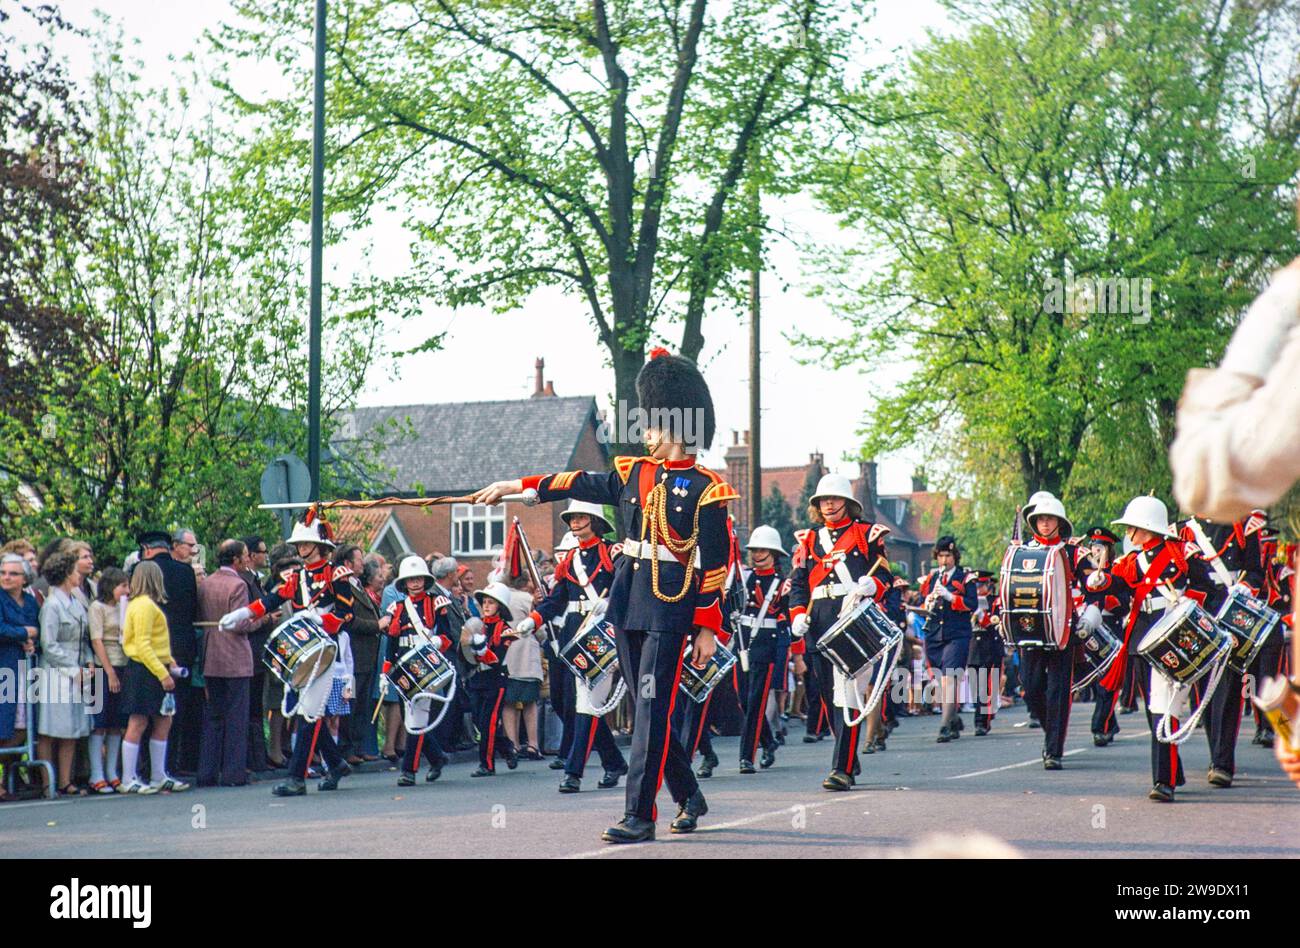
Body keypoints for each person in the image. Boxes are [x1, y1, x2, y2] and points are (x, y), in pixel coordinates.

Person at [472, 349, 732, 842]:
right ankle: (689, 794)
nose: (647, 433)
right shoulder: (635, 473)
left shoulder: (707, 489)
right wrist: (513, 486)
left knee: (653, 709)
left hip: (672, 607)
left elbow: (716, 564)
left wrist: (707, 626)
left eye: (654, 425)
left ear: (676, 426)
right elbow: (574, 481)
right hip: (629, 600)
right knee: (643, 703)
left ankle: (640, 815)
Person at [218, 517, 355, 796]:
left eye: (306, 543)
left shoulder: (336, 574)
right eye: (300, 543)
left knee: (308, 712)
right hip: (304, 648)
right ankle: (336, 763)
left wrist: (320, 619)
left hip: (327, 648)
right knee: (308, 710)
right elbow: (271, 601)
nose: (302, 548)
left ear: (319, 546)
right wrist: (242, 614)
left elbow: (347, 614)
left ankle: (296, 777)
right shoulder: (297, 577)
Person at [1101, 495, 1222, 803]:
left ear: (1146, 527)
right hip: (1142, 638)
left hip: (1172, 634)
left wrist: (1185, 602)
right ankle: (1171, 769)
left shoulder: (1180, 554)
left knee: (1163, 707)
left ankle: (1163, 782)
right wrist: (1099, 580)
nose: (1128, 532)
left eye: (1133, 526)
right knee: (1151, 708)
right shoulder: (1130, 562)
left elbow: (1211, 589)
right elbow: (1116, 587)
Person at [788, 472, 896, 790]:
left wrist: (872, 584)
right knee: (827, 696)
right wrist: (796, 614)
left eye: (835, 499)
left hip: (852, 620)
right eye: (824, 501)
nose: (829, 505)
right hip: (817, 621)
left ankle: (842, 769)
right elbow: (797, 584)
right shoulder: (808, 540)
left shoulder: (867, 534)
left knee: (846, 694)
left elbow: (887, 577)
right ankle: (848, 756)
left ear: (848, 504)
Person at [517, 502, 628, 793]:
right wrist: (534, 619)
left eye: (580, 517)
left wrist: (610, 605)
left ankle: (573, 772)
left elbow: (626, 587)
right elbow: (557, 599)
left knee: (586, 702)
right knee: (582, 703)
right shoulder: (570, 561)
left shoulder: (612, 552)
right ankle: (614, 761)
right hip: (574, 632)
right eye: (572, 519)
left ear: (594, 520)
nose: (574, 522)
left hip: (602, 631)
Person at [1011, 495, 1077, 770]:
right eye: (1040, 519)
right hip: (1031, 628)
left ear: (1059, 522)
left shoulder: (1073, 553)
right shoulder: (1023, 552)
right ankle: (1051, 726)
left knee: (1057, 691)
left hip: (1064, 629)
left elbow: (1093, 587)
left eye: (1049, 518)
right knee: (1031, 684)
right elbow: (1009, 584)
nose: (1045, 523)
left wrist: (1089, 611)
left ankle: (1054, 751)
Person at [136, 530, 202, 777]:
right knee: (174, 710)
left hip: (151, 648)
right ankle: (170, 765)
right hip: (181, 648)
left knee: (147, 710)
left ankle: (145, 767)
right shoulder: (185, 572)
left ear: (147, 549)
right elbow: (192, 609)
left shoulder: (142, 571)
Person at [120, 560, 190, 794]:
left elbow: (155, 641)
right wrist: (162, 673)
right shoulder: (144, 606)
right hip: (145, 669)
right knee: (138, 721)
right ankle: (128, 777)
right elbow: (142, 644)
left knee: (163, 719)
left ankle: (158, 774)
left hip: (154, 665)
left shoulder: (142, 604)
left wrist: (169, 660)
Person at [383, 555, 453, 786]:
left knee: (417, 716)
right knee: (410, 718)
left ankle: (409, 770)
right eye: (410, 580)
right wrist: (385, 672)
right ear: (404, 583)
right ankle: (436, 757)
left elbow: (447, 635)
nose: (414, 583)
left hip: (425, 662)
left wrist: (439, 642)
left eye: (418, 579)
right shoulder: (397, 608)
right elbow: (391, 643)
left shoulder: (436, 602)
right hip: (403, 665)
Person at [733, 525, 791, 774]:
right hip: (743, 643)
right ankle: (768, 742)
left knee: (756, 701)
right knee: (744, 700)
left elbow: (787, 617)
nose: (757, 554)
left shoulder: (783, 584)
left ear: (774, 554)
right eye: (754, 550)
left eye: (763, 550)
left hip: (767, 644)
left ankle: (746, 756)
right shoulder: (743, 578)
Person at [196, 540, 255, 788]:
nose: (247, 560)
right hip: (235, 656)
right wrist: (262, 620)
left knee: (213, 716)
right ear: (236, 560)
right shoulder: (238, 585)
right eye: (245, 556)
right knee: (236, 717)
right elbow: (240, 623)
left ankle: (207, 772)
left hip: (212, 653)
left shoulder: (206, 583)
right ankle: (233, 773)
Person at [36, 550, 93, 795]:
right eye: (74, 570)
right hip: (56, 673)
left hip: (79, 668)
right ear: (65, 573)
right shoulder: (52, 605)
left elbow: (84, 638)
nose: (78, 575)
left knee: (72, 728)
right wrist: (73, 670)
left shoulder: (76, 602)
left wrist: (89, 662)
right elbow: (49, 645)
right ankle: (47, 782)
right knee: (50, 729)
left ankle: (65, 781)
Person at [919, 536, 977, 743]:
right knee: (942, 680)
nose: (944, 560)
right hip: (935, 635)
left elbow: (972, 605)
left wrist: (951, 597)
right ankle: (953, 719)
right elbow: (920, 605)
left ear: (955, 556)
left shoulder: (965, 578)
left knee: (949, 678)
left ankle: (944, 725)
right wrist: (927, 601)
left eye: (948, 556)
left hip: (957, 634)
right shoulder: (930, 579)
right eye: (941, 556)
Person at [1077, 527, 1130, 746]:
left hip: (1112, 625)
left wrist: (1110, 602)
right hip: (1090, 628)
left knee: (1108, 681)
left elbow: (1125, 602)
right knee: (1097, 679)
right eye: (1093, 547)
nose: (1095, 551)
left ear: (1108, 549)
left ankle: (1100, 726)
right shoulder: (1085, 571)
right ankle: (1110, 723)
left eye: (1100, 547)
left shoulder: (1118, 570)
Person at [462, 581, 519, 777]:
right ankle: (506, 748)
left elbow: (497, 658)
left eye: (491, 603)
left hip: (495, 679)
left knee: (489, 722)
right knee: (478, 719)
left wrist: (482, 649)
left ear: (500, 607)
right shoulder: (475, 624)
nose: (486, 606)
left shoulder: (505, 629)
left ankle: (487, 764)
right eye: (484, 602)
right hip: (477, 677)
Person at [87, 566, 130, 793]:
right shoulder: (97, 607)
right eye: (123, 586)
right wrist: (109, 671)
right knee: (100, 722)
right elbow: (97, 640)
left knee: (116, 723)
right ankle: (96, 773)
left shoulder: (125, 607)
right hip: (105, 665)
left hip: (124, 662)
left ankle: (112, 771)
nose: (127, 590)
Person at [345, 553, 387, 764]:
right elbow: (350, 621)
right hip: (356, 653)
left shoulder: (357, 586)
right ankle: (348, 748)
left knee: (362, 704)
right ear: (348, 563)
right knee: (352, 703)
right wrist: (377, 625)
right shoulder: (346, 587)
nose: (362, 563)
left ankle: (359, 746)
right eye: (358, 559)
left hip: (366, 655)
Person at [237, 536, 274, 772]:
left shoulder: (255, 580)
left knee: (256, 708)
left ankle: (260, 757)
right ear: (250, 555)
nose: (265, 555)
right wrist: (267, 618)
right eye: (262, 551)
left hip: (257, 652)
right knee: (250, 707)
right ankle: (254, 758)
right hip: (250, 650)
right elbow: (248, 617)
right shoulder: (245, 582)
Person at [966, 570, 1003, 736]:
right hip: (973, 646)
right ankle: (982, 714)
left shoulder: (996, 602)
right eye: (975, 585)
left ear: (989, 585)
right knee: (975, 687)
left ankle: (981, 721)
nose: (978, 588)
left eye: (980, 585)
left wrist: (980, 613)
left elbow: (994, 622)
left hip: (989, 646)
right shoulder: (969, 601)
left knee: (986, 686)